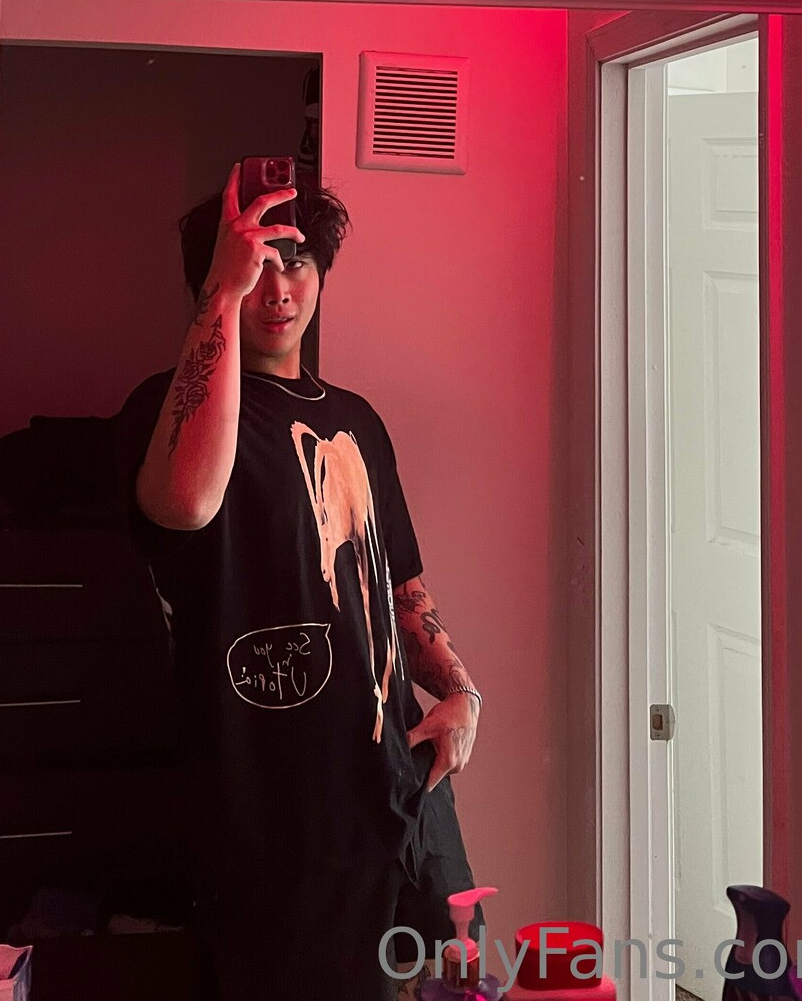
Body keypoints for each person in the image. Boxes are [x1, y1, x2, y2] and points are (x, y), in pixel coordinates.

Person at [116, 163, 484, 1001]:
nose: (279, 290)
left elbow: (402, 589)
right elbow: (185, 504)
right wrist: (222, 288)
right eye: (257, 267)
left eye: (298, 263)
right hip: (276, 817)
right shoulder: (165, 411)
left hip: (402, 793)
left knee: (442, 983)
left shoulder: (357, 420)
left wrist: (462, 693)